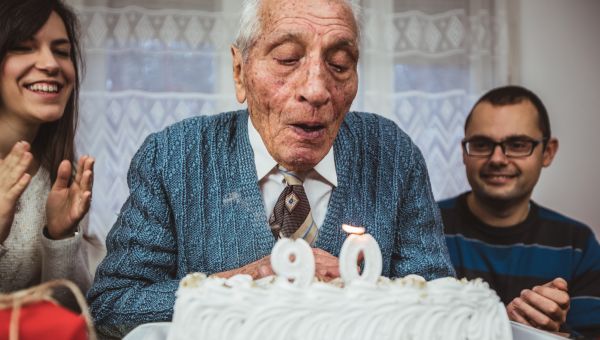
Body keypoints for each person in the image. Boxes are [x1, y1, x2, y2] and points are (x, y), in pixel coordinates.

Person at [88, 0, 455, 337]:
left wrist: (361, 288)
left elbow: (443, 307)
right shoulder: (173, 156)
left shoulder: (392, 153)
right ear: (239, 70)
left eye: (339, 64)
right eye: (287, 58)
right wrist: (244, 283)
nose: (316, 90)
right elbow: (113, 306)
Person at [440, 85, 600, 338]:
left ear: (547, 152)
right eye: (481, 144)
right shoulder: (425, 227)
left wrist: (553, 334)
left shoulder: (577, 244)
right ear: (463, 152)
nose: (498, 159)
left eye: (517, 144)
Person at [0, 0, 95, 303]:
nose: (51, 64)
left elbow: (66, 314)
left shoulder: (63, 178)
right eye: (24, 47)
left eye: (61, 51)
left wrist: (60, 238)